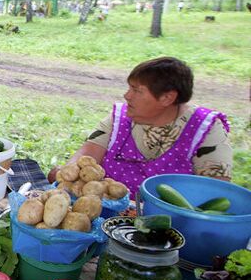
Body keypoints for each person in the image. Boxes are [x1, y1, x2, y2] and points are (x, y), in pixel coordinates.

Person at [48, 57, 232, 194]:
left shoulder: (205, 129)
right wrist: (67, 174)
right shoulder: (120, 117)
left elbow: (215, 192)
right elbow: (87, 154)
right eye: (130, 88)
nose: (127, 96)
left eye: (136, 90)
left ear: (167, 98)